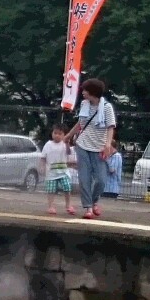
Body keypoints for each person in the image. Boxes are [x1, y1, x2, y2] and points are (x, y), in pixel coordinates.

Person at [64, 77, 117, 219]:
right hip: (82, 145)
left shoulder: (107, 107)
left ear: (93, 91)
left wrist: (107, 144)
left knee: (101, 180)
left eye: (85, 90)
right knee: (84, 178)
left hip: (99, 147)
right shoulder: (84, 104)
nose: (83, 92)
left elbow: (110, 127)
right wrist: (68, 136)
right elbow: (80, 123)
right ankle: (88, 207)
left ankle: (94, 201)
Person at [40, 124, 75, 215]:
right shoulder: (48, 144)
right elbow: (43, 157)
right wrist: (42, 167)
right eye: (55, 133)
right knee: (51, 190)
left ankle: (68, 205)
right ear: (52, 133)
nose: (57, 135)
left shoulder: (64, 144)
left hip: (63, 172)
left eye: (60, 134)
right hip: (51, 173)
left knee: (67, 188)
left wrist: (67, 143)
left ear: (64, 135)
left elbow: (68, 152)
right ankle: (50, 206)